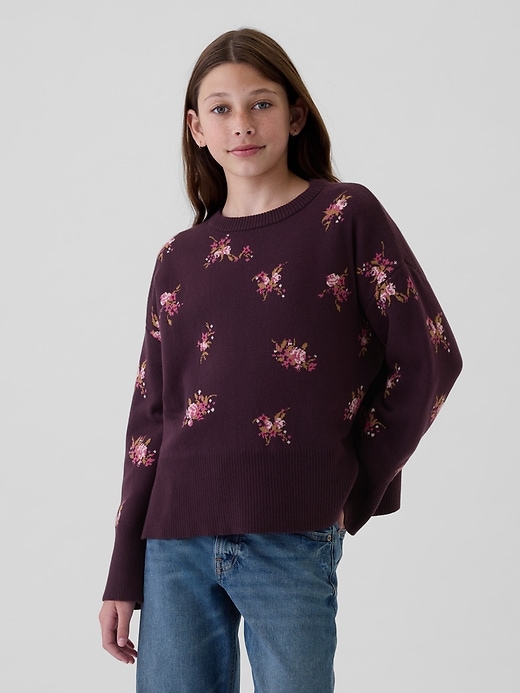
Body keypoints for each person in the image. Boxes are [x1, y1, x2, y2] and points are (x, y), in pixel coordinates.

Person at [99, 27, 463, 692]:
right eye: (221, 108)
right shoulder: (179, 257)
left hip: (293, 534)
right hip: (174, 544)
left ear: (295, 115)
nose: (242, 123)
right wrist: (123, 569)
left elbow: (430, 356)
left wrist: (353, 482)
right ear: (196, 128)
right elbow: (150, 418)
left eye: (261, 103)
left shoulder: (345, 215)